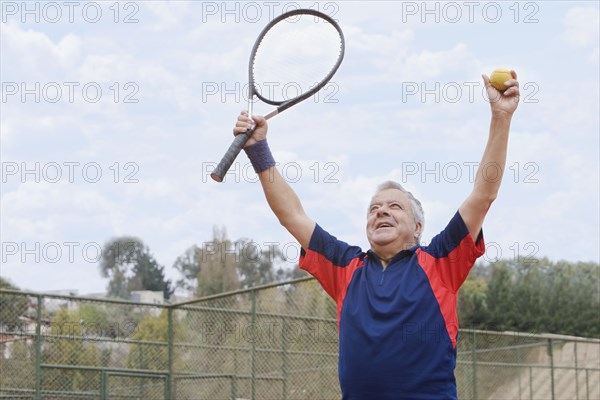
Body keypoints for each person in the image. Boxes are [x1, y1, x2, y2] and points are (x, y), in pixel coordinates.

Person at [232, 72, 520, 399]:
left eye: (394, 206)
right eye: (373, 208)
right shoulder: (345, 267)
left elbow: (482, 195)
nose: (381, 211)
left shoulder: (440, 262)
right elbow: (292, 215)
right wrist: (259, 151)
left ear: (417, 227)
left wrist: (500, 117)